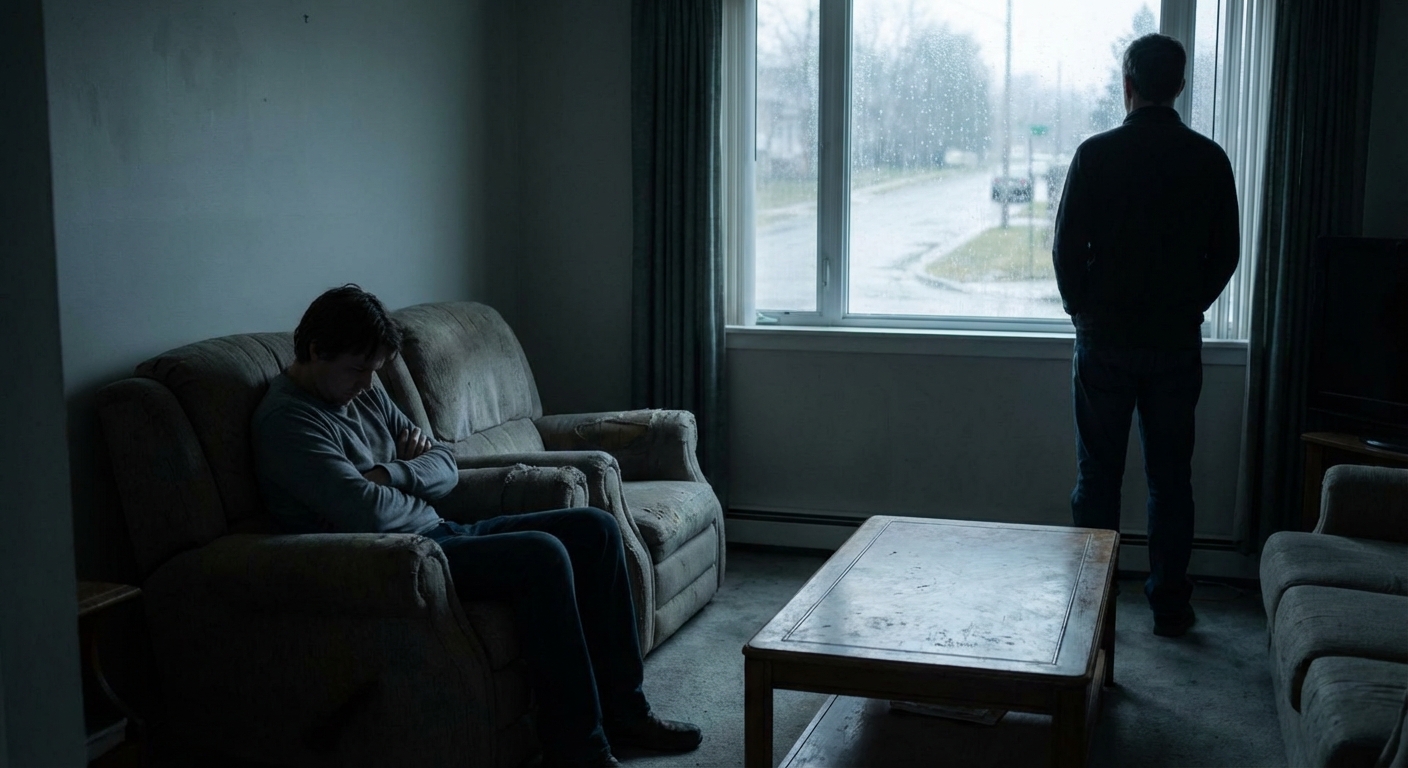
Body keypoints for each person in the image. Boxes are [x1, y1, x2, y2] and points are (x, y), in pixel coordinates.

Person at [252, 285, 702, 767]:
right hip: (395, 557)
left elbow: (445, 465)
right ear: (317, 350)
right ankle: (577, 751)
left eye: (373, 372)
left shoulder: (362, 393)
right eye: (357, 370)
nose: (367, 385)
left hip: (441, 528)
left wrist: (392, 473)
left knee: (596, 528)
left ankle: (626, 712)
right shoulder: (288, 422)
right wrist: (404, 480)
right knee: (543, 554)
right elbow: (369, 514)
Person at [1052, 34, 1240, 638]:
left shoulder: (1096, 155)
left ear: (1125, 84)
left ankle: (1092, 606)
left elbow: (1064, 249)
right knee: (1170, 479)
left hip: (1104, 339)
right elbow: (1227, 255)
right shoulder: (1209, 159)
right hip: (1173, 344)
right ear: (1180, 86)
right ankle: (1170, 606)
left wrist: (1082, 311)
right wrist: (1190, 304)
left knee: (1097, 479)